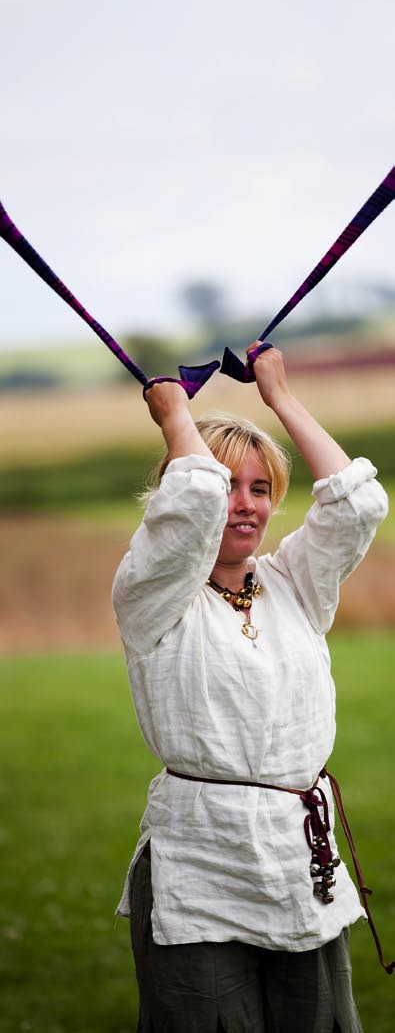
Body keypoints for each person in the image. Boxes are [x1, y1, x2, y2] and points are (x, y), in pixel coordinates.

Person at [112, 344, 388, 1033]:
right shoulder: (153, 592)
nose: (242, 505)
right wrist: (176, 414)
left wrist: (280, 396)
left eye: (259, 488)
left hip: (301, 857)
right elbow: (190, 508)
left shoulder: (294, 582)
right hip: (200, 860)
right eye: (227, 485)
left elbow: (357, 505)